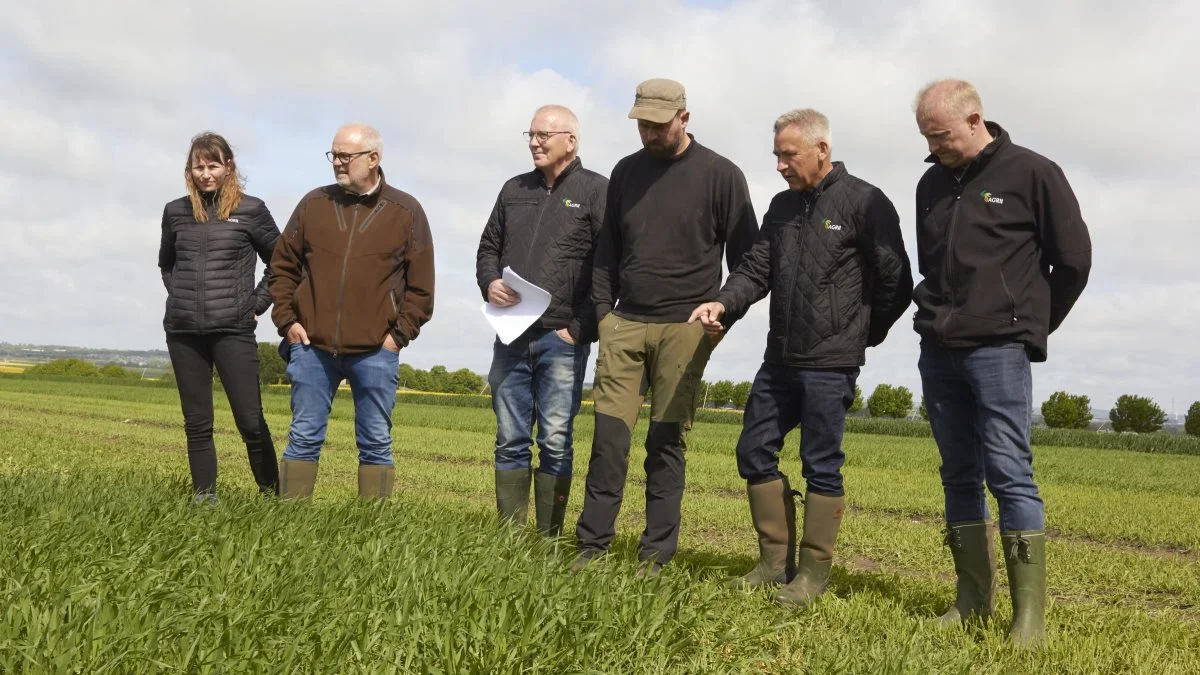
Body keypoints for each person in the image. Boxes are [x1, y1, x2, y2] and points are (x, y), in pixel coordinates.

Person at [690, 109, 913, 607]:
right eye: (776, 155)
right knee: (753, 449)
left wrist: (857, 335)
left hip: (830, 363)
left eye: (787, 155)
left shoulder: (865, 202)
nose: (780, 165)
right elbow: (755, 269)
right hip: (779, 359)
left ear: (821, 150)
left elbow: (896, 282)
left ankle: (812, 574)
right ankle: (774, 564)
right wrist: (723, 302)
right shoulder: (781, 208)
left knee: (821, 464)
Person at [912, 80, 1091, 646]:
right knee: (957, 473)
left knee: (1010, 474)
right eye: (925, 137)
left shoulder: (1033, 173)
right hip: (939, 351)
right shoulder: (930, 183)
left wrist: (1027, 327)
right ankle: (971, 600)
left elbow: (1074, 261)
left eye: (939, 136)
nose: (933, 147)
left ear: (974, 119)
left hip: (998, 349)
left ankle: (1029, 620)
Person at [573, 78, 759, 575]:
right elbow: (606, 253)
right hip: (625, 323)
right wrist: (602, 315)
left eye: (659, 125)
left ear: (684, 118)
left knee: (665, 443)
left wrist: (724, 308)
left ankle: (654, 557)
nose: (650, 134)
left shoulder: (722, 175)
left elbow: (751, 261)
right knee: (609, 441)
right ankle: (591, 550)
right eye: (643, 125)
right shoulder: (626, 173)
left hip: (685, 325)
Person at [269, 123, 435, 500]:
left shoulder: (406, 211)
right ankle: (286, 527)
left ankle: (371, 532)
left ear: (374, 159)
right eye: (334, 155)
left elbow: (421, 288)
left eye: (347, 156)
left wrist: (398, 337)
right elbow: (282, 268)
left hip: (377, 351)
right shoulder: (313, 204)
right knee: (303, 436)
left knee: (376, 441)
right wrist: (287, 322)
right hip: (311, 347)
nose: (338, 163)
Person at [475, 105, 607, 536]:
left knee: (554, 439)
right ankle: (510, 535)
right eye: (530, 134)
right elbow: (487, 248)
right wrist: (490, 281)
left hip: (562, 337)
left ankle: (549, 537)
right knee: (510, 437)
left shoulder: (596, 191)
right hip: (510, 333)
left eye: (544, 135)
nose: (535, 142)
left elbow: (610, 267)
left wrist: (580, 328)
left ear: (571, 140)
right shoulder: (513, 189)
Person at [158, 132, 280, 502]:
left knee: (250, 422)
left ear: (229, 167)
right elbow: (167, 265)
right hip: (183, 333)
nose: (206, 173)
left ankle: (273, 497)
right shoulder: (175, 211)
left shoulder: (252, 210)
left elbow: (284, 263)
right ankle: (204, 500)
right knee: (197, 424)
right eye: (199, 166)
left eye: (213, 165)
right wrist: (181, 296)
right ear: (189, 170)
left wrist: (255, 305)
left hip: (234, 330)